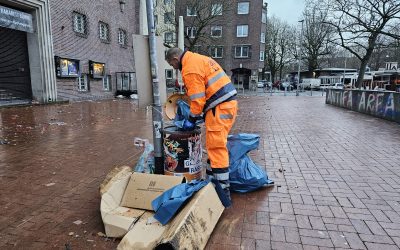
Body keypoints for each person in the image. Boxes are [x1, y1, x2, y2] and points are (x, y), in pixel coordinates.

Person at [165, 48, 238, 202]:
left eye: (171, 63)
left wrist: (191, 120)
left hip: (219, 108)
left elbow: (198, 100)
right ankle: (212, 183)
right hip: (224, 105)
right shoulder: (196, 58)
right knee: (213, 146)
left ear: (176, 58)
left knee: (217, 148)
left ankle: (222, 193)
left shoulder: (189, 69)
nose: (172, 67)